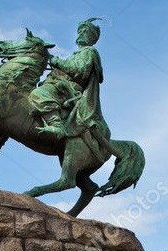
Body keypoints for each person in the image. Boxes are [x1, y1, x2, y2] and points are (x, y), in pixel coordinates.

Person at [29, 18, 110, 156]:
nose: (81, 34)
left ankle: (57, 125)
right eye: (80, 31)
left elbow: (80, 70)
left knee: (37, 94)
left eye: (85, 31)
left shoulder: (89, 51)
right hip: (59, 85)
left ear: (92, 37)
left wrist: (57, 62)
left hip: (68, 89)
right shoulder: (78, 53)